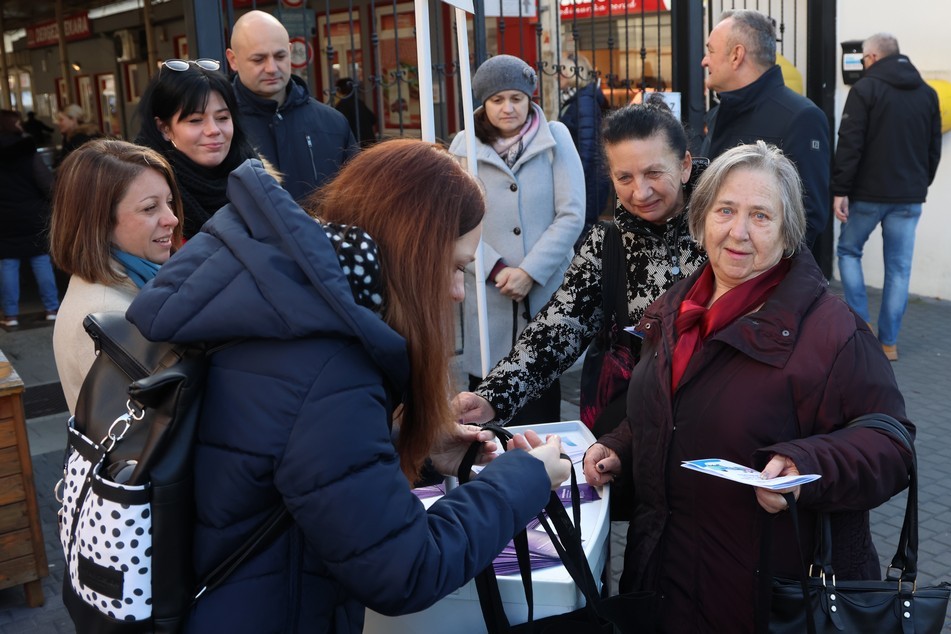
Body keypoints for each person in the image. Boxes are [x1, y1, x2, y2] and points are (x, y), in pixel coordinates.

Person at [123, 139, 571, 633]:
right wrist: (525, 478)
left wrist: (415, 447)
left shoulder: (289, 312)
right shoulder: (329, 364)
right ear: (412, 253)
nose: (458, 291)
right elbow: (406, 570)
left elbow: (291, 462)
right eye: (456, 266)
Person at [583, 141, 913, 632]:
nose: (738, 232)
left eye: (760, 216)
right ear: (701, 218)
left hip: (768, 601)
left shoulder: (832, 331)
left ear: (787, 232)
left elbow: (891, 444)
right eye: (726, 210)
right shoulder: (675, 308)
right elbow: (673, 413)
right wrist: (620, 447)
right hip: (661, 581)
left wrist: (808, 463)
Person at [455, 101, 707, 431]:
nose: (640, 192)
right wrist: (492, 397)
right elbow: (559, 327)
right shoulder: (608, 244)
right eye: (624, 177)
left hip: (716, 424)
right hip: (634, 432)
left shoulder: (724, 229)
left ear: (685, 165)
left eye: (654, 173)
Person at [448, 54, 585, 425]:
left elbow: (571, 213)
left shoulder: (556, 137)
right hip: (488, 293)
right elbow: (452, 221)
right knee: (486, 409)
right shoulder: (463, 146)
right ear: (484, 103)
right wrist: (494, 268)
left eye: (516, 98)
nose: (508, 108)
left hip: (542, 293)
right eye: (497, 100)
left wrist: (529, 271)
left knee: (541, 404)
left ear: (529, 99)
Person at [49, 139, 183, 414]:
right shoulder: (108, 311)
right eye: (149, 208)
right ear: (100, 221)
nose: (172, 219)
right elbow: (153, 421)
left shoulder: (126, 283)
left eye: (169, 202)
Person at [832, 33, 941, 362]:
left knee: (849, 251)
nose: (863, 64)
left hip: (867, 194)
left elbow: (850, 144)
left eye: (865, 59)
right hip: (909, 197)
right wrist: (920, 183)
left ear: (875, 57)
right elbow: (932, 149)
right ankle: (889, 344)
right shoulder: (927, 94)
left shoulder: (865, 90)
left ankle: (861, 327)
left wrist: (840, 189)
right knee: (899, 269)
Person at [700, 9, 830, 249]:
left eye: (710, 50)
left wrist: (769, 280)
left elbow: (808, 218)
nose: (704, 60)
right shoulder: (720, 113)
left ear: (736, 55)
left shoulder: (801, 117)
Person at [227, 10, 357, 201]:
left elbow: (357, 198)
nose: (272, 68)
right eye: (258, 59)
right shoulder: (218, 127)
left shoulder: (333, 123)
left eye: (280, 56)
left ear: (289, 51)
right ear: (233, 60)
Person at [134, 57, 259, 239]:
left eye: (223, 118)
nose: (213, 130)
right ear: (164, 128)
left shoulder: (256, 177)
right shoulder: (141, 199)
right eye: (195, 120)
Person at [0, 109, 59, 328]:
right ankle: (52, 309)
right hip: (32, 214)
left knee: (8, 264)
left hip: (4, 218)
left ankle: (11, 315)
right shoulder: (28, 151)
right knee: (41, 260)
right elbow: (46, 184)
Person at [558, 52, 612, 231]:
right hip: (585, 183)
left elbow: (588, 150)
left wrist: (574, 184)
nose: (558, 75)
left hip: (587, 185)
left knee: (583, 237)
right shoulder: (577, 99)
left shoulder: (584, 101)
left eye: (562, 71)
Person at [52, 104, 101, 168]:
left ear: (73, 120)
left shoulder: (80, 139)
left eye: (61, 120)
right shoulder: (70, 136)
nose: (58, 123)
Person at [335, 77, 377, 146]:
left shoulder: (343, 105)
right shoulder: (358, 102)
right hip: (368, 143)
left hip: (356, 145)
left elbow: (339, 126)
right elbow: (373, 119)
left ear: (340, 90)